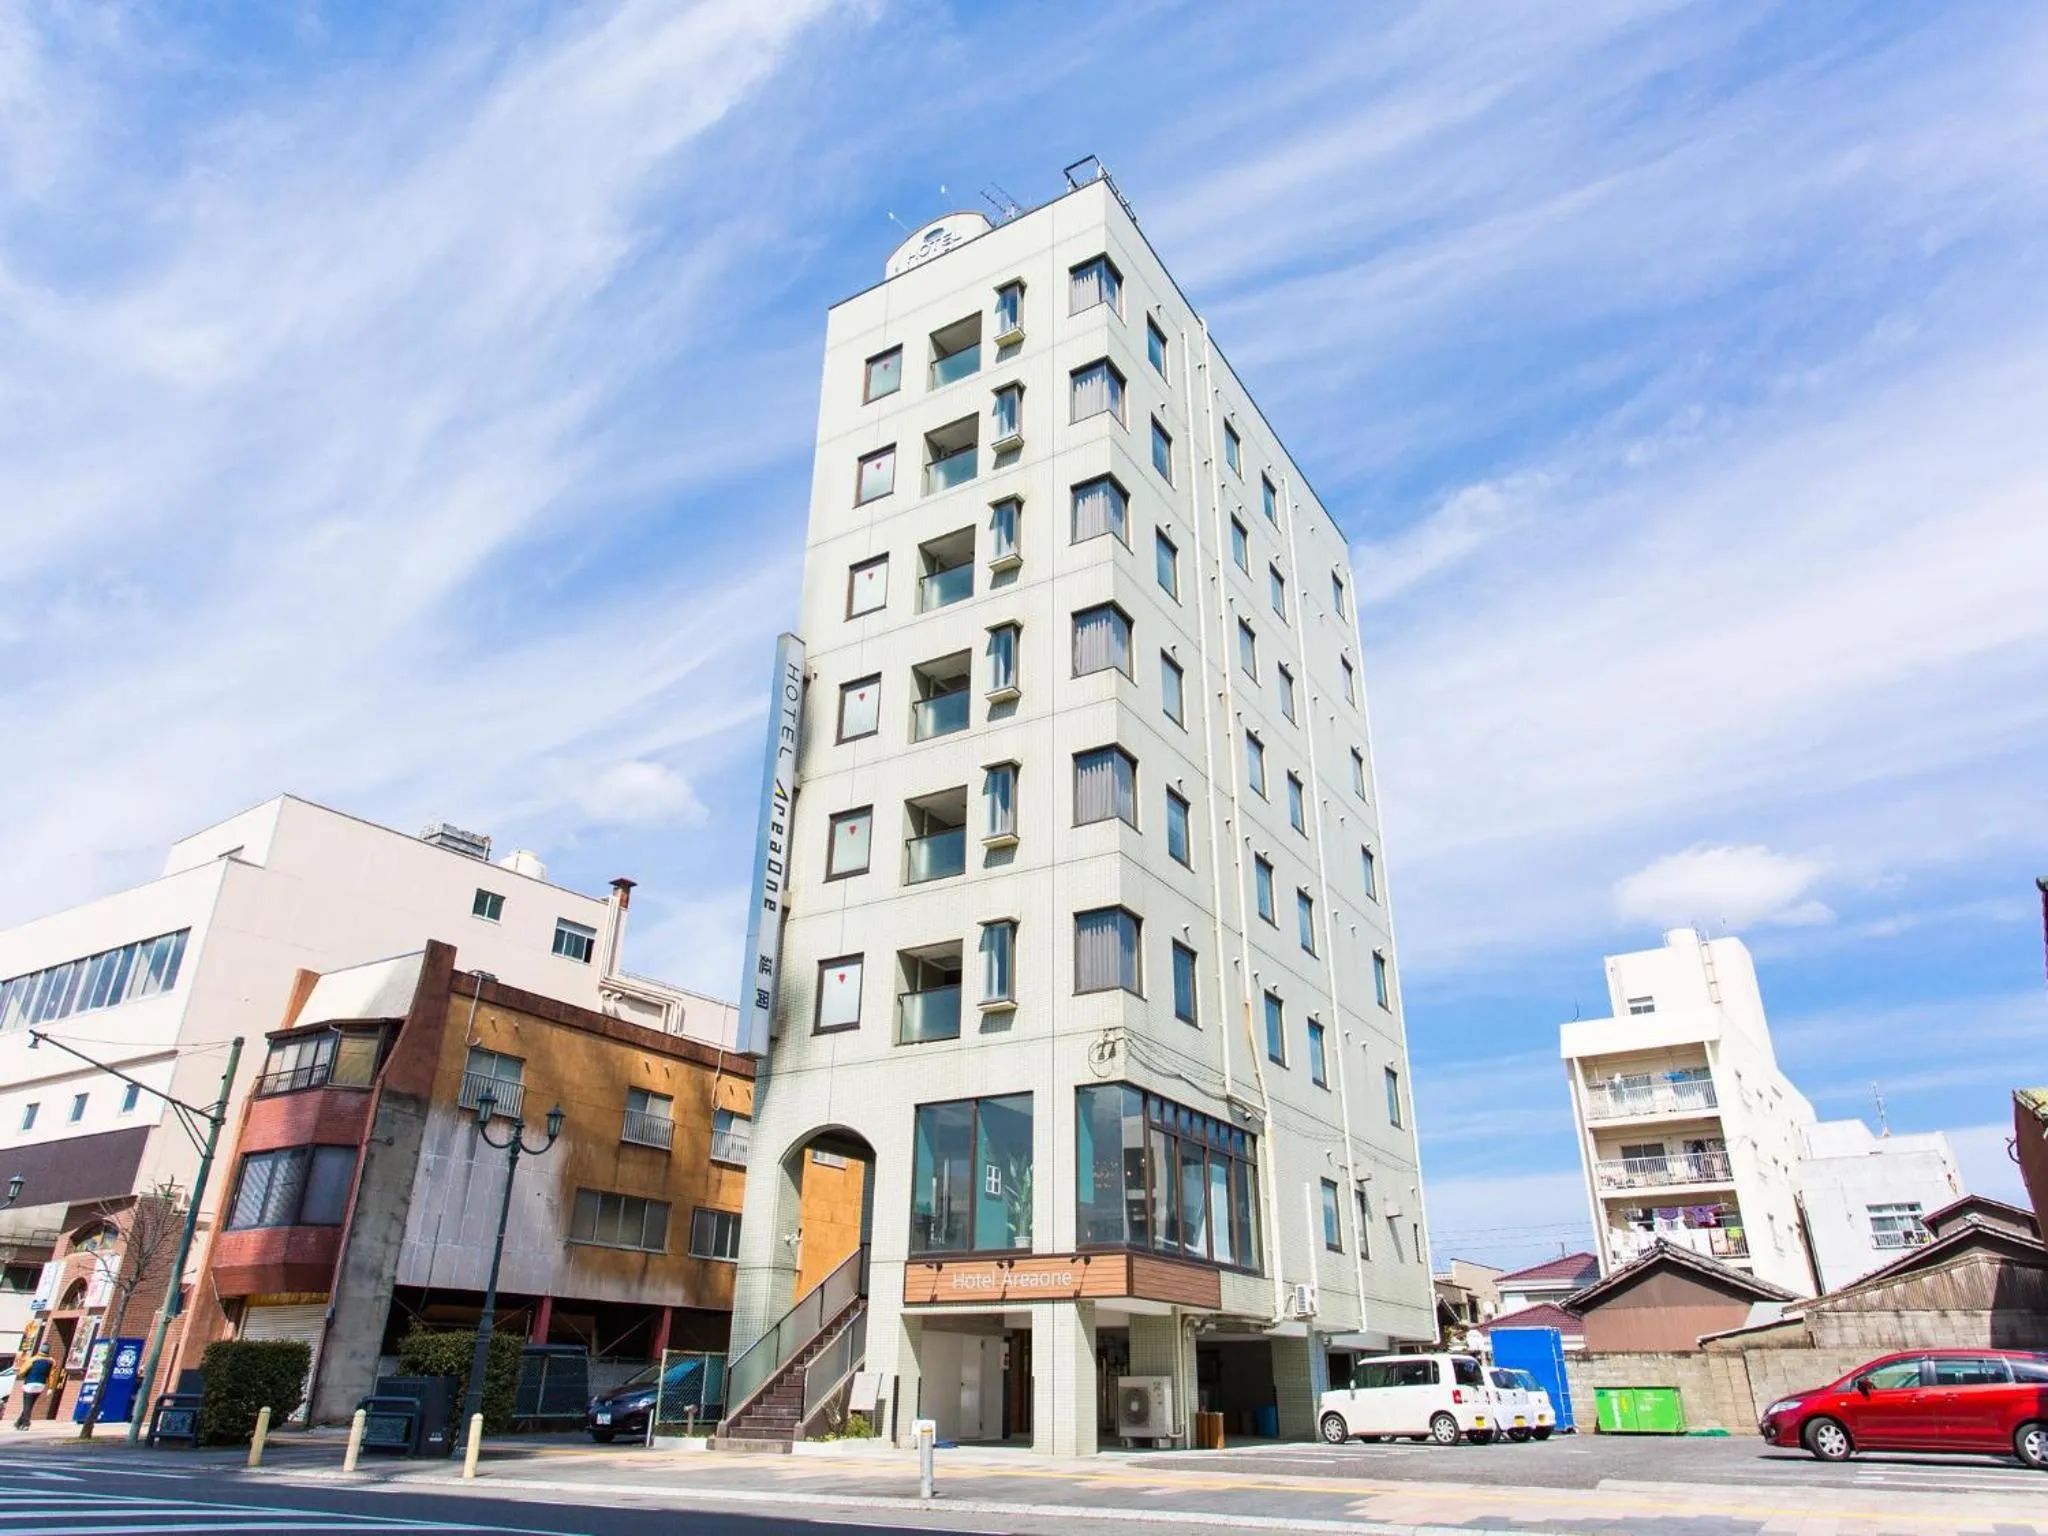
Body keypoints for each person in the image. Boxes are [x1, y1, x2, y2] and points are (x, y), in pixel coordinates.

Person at [13, 1353, 52, 1430]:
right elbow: (51, 1375)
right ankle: (19, 1422)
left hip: (30, 1384)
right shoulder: (50, 1362)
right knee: (30, 1404)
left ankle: (26, 1423)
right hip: (41, 1385)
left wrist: (22, 1374)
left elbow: (22, 1371)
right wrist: (50, 1388)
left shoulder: (33, 1359)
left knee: (27, 1405)